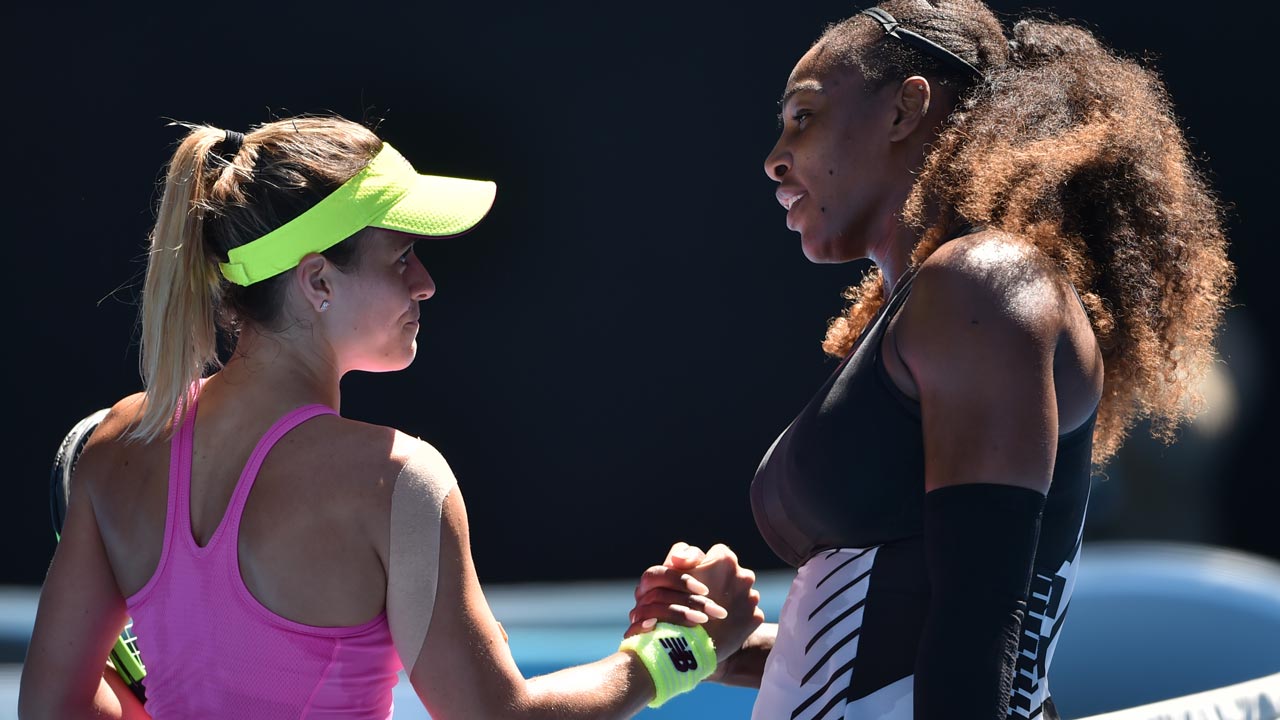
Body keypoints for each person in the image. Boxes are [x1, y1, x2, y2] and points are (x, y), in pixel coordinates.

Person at [18, 115, 765, 719]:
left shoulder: (116, 446)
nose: (427, 283)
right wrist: (679, 652)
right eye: (402, 256)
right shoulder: (398, 480)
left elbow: (50, 708)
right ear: (317, 280)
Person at [630, 2, 1234, 718]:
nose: (774, 158)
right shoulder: (949, 301)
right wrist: (710, 648)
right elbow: (894, 651)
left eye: (803, 117)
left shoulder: (982, 284)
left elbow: (977, 644)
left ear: (904, 109)